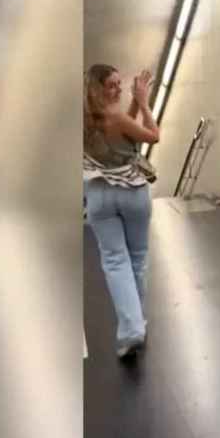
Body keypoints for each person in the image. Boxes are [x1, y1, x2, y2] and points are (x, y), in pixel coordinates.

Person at [83, 64, 160, 358]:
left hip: (99, 195)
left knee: (115, 261)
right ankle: (135, 327)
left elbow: (122, 133)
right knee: (137, 257)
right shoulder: (115, 118)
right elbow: (152, 136)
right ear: (97, 88)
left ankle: (131, 330)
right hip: (133, 194)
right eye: (111, 85)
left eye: (119, 84)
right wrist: (143, 102)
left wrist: (131, 105)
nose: (117, 89)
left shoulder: (84, 119)